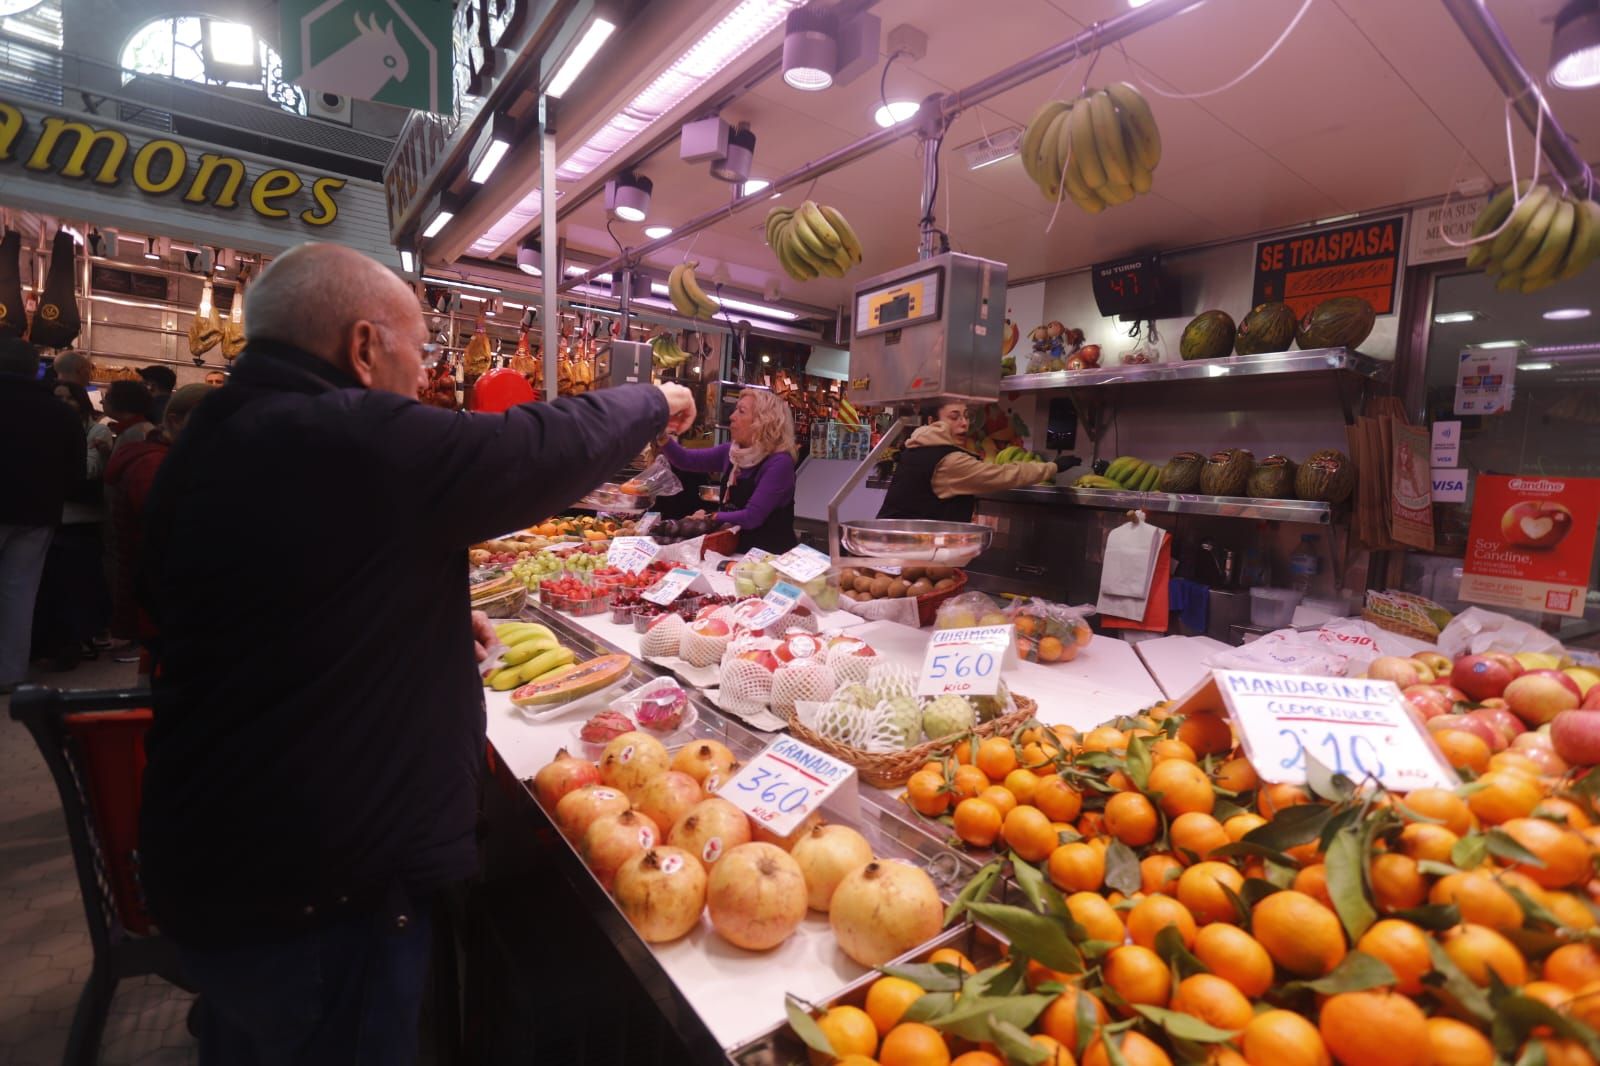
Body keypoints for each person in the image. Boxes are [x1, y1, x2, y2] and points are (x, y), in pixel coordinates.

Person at [137, 242, 694, 1066]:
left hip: (239, 858)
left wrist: (407, 617)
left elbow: (276, 604)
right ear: (365, 347)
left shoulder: (228, 432)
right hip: (316, 888)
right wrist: (654, 397)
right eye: (421, 348)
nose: (427, 369)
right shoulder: (331, 432)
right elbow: (522, 449)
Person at [0, 338, 85, 692]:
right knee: (20, 593)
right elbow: (75, 471)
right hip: (39, 512)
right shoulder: (61, 412)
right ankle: (10, 674)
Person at [104, 384, 210, 652]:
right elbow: (171, 526)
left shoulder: (167, 458)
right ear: (175, 420)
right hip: (160, 590)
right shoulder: (154, 464)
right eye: (207, 419)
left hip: (159, 590)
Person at [659, 386, 799, 553]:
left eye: (741, 411)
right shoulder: (732, 453)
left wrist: (712, 517)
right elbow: (685, 459)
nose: (732, 417)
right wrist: (661, 436)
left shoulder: (779, 463)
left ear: (762, 421)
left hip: (770, 557)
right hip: (734, 550)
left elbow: (752, 517)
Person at [878, 399, 1058, 522]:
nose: (964, 423)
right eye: (954, 417)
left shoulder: (917, 445)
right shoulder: (949, 461)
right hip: (911, 554)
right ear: (932, 420)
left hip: (895, 546)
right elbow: (1003, 475)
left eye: (966, 416)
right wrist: (1052, 467)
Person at [102, 379, 155, 452]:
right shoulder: (136, 427)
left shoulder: (133, 435)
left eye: (106, 397)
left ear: (120, 401)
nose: (101, 401)